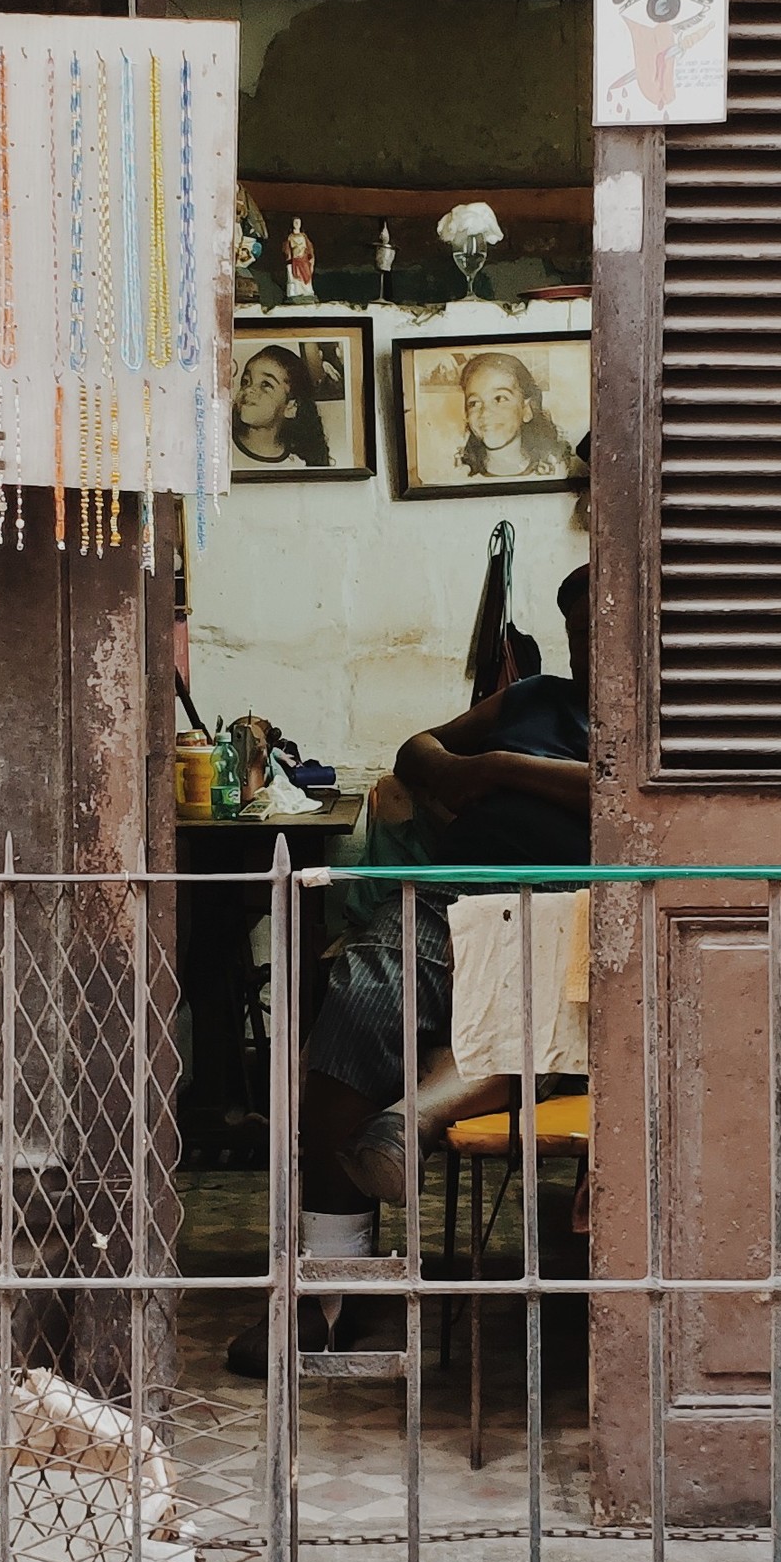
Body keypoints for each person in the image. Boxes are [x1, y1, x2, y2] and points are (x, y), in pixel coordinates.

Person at [226, 564, 590, 1375]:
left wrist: (495, 770)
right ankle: (333, 1289)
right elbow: (418, 748)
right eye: (578, 628)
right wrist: (452, 763)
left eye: (604, 623)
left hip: (581, 910)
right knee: (357, 995)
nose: (591, 642)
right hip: (454, 897)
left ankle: (417, 1115)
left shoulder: (670, 721)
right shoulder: (538, 700)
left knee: (546, 996)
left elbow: (618, 792)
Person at [455, 350, 576, 482]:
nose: (485, 412)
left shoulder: (556, 471)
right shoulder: (460, 475)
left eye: (499, 399)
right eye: (474, 403)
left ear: (526, 409)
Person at [231, 343, 331, 469]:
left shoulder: (298, 466)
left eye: (266, 384)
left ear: (291, 407)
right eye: (246, 381)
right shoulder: (219, 449)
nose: (249, 389)